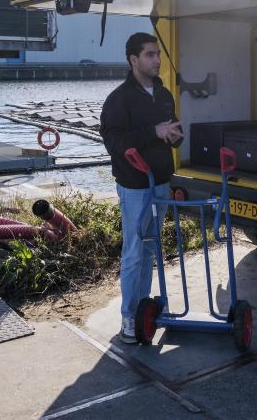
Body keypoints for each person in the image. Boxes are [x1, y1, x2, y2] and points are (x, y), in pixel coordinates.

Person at [100, 32, 184, 344]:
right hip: (135, 186)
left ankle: (144, 310)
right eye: (150, 55)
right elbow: (114, 142)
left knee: (151, 248)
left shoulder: (163, 94)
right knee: (134, 251)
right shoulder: (119, 99)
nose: (157, 60)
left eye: (158, 54)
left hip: (161, 182)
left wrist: (175, 135)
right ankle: (128, 317)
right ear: (134, 60)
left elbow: (170, 128)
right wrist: (153, 131)